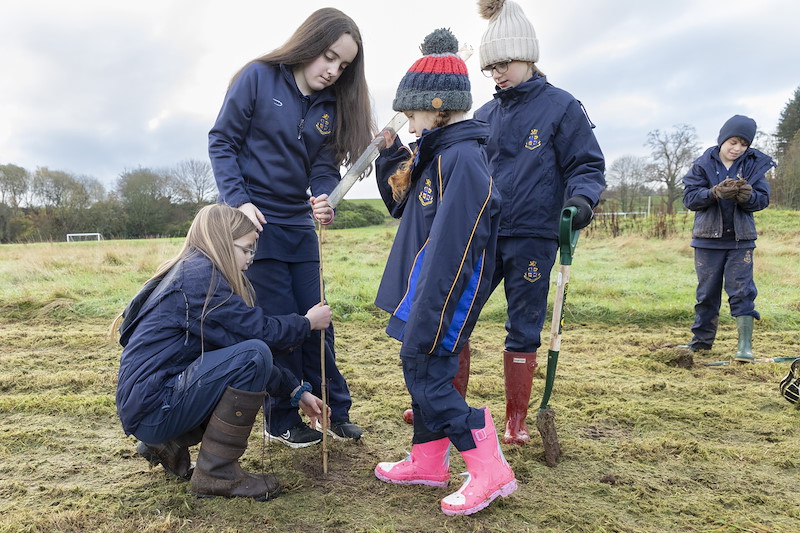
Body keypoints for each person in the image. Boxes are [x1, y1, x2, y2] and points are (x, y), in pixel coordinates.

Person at [208, 8, 374, 447]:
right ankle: (282, 418)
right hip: (256, 225)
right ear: (310, 42)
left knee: (319, 321)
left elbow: (323, 166)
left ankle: (334, 409)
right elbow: (221, 141)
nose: (333, 71)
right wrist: (239, 201)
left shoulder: (330, 105)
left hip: (300, 227)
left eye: (343, 66)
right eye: (329, 57)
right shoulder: (257, 77)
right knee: (283, 323)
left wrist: (325, 198)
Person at [372, 28, 515, 517]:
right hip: (427, 291)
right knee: (420, 373)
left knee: (431, 376)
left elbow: (458, 244)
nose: (410, 125)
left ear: (436, 107)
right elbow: (408, 212)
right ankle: (428, 461)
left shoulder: (463, 160)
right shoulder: (436, 156)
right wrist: (390, 156)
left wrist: (433, 307)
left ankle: (490, 470)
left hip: (444, 293)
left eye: (411, 114)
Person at [115, 204, 332, 500]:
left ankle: (168, 443)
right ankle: (217, 474)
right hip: (154, 408)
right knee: (254, 354)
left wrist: (296, 391)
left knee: (246, 356)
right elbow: (258, 336)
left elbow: (231, 350)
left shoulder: (191, 271)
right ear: (222, 243)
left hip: (149, 404)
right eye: (246, 250)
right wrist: (306, 323)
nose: (249, 260)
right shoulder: (200, 280)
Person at [473, 0, 606, 445]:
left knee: (524, 324)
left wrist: (581, 202)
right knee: (456, 316)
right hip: (484, 233)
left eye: (504, 63)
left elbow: (586, 166)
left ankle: (516, 420)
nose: (497, 74)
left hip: (534, 235)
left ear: (527, 55)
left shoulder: (562, 108)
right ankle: (444, 403)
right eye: (490, 67)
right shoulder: (483, 116)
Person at [680, 115, 774, 362]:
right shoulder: (703, 165)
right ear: (722, 139)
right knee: (706, 294)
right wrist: (713, 193)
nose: (737, 149)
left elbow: (762, 200)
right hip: (707, 241)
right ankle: (701, 342)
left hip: (740, 242)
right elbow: (690, 199)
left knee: (743, 292)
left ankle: (745, 347)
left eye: (743, 144)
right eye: (733, 142)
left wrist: (748, 197)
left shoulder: (754, 167)